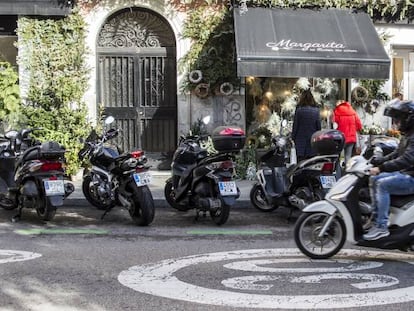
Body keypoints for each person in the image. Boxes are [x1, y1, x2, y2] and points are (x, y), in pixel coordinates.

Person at [363, 100, 414, 240]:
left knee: (382, 184)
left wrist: (381, 168)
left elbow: (406, 160)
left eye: (399, 119)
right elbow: (397, 153)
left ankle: (381, 227)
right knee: (374, 179)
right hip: (406, 173)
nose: (396, 122)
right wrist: (378, 160)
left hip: (411, 178)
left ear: (409, 119)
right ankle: (375, 219)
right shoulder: (408, 135)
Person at [291, 89, 321, 162]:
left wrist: (293, 138)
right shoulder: (316, 111)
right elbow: (318, 127)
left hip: (300, 140)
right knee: (311, 163)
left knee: (300, 164)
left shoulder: (299, 110)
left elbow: (295, 126)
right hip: (312, 140)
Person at [332, 100, 362, 164]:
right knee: (348, 156)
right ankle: (347, 171)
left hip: (340, 138)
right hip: (351, 138)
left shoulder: (337, 111)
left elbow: (334, 126)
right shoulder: (353, 111)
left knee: (337, 157)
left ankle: (338, 172)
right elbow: (359, 125)